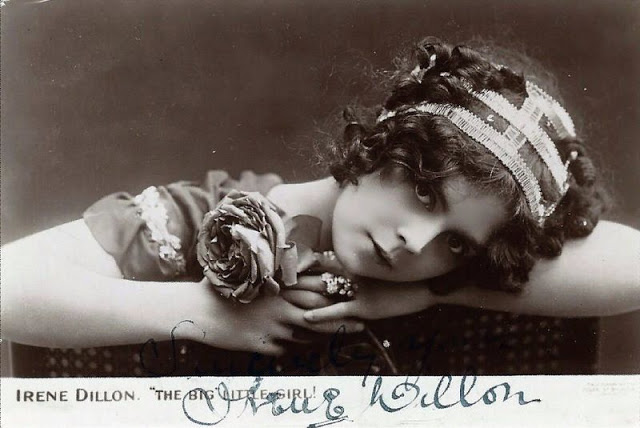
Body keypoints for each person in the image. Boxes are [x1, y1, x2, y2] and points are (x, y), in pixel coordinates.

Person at [2, 38, 639, 375]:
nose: (416, 243)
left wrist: (433, 292)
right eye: (425, 192)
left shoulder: (427, 276)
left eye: (456, 243)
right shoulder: (210, 214)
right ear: (386, 144)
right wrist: (200, 313)